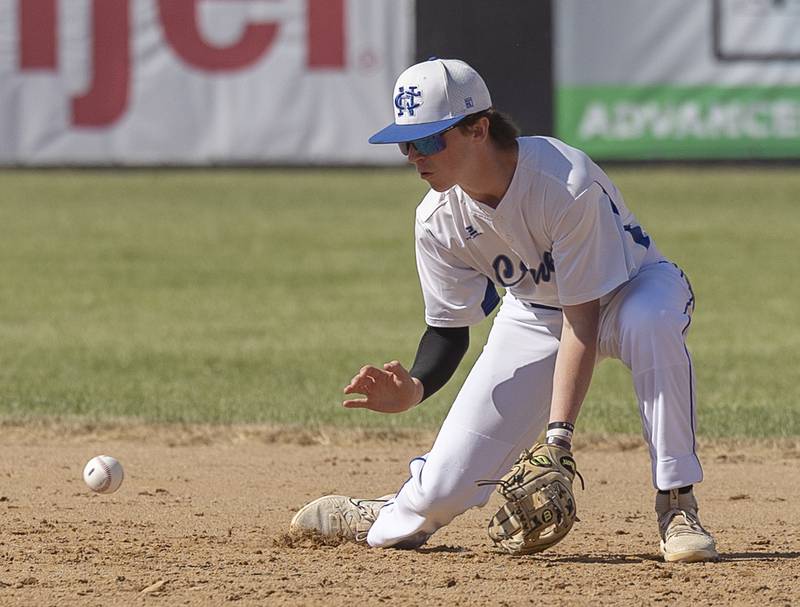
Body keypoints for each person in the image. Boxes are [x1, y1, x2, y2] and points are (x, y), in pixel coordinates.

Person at [290, 58, 718, 563]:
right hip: (537, 312)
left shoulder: (564, 182)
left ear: (478, 128)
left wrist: (558, 439)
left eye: (427, 140)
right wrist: (415, 388)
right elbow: (448, 329)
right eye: (405, 143)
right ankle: (394, 509)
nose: (412, 155)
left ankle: (676, 502)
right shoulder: (436, 220)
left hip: (633, 289)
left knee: (651, 323)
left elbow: (583, 320)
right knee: (438, 494)